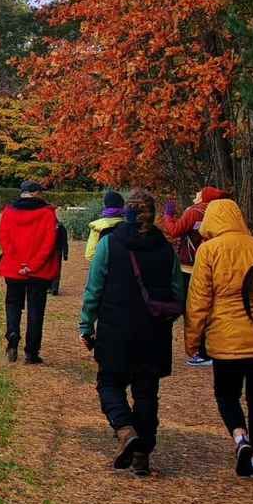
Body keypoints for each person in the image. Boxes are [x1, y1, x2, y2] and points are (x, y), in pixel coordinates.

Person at [79, 189, 186, 477]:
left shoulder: (109, 245)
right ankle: (142, 456)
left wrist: (86, 325)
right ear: (152, 213)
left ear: (127, 213)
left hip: (115, 330)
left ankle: (125, 430)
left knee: (109, 384)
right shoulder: (166, 249)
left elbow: (94, 290)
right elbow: (178, 292)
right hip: (154, 333)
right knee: (147, 392)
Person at [184, 198, 253, 478]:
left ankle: (239, 437)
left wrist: (192, 341)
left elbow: (198, 301)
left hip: (226, 340)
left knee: (226, 395)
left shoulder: (209, 251)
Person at [0, 180, 61, 364]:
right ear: (35, 193)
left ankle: (12, 335)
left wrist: (19, 263)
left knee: (13, 303)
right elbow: (49, 244)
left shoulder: (8, 212)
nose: (43, 194)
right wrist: (32, 265)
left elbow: (4, 238)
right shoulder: (47, 214)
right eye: (41, 192)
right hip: (38, 272)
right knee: (36, 309)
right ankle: (31, 352)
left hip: (13, 268)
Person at [165, 186, 230, 366]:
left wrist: (168, 216)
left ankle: (199, 351)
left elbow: (175, 230)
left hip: (189, 267)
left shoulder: (195, 212)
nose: (195, 195)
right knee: (211, 309)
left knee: (192, 309)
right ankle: (214, 348)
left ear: (204, 197)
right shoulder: (221, 214)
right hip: (213, 266)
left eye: (199, 193)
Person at [85, 190, 127, 262]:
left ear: (105, 205)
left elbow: (90, 254)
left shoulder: (97, 227)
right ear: (122, 205)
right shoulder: (128, 226)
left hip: (103, 266)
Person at [51, 214, 72, 296]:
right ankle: (54, 288)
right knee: (56, 269)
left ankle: (50, 287)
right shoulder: (61, 227)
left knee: (49, 269)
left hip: (49, 252)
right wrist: (65, 254)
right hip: (57, 251)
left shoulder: (47, 226)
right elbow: (64, 242)